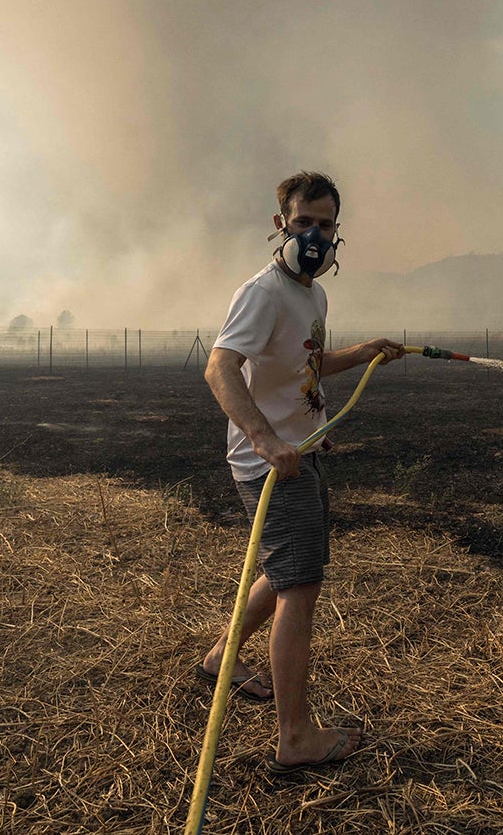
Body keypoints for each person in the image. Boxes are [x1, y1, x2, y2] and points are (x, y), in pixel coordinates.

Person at [201, 170, 402, 772]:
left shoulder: (313, 295)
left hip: (301, 451)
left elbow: (302, 366)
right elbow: (220, 368)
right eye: (303, 223)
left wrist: (359, 355)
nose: (314, 236)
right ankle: (295, 738)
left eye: (325, 225)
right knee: (300, 587)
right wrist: (264, 439)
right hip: (270, 466)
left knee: (291, 569)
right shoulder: (263, 292)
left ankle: (220, 657)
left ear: (338, 231)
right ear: (279, 224)